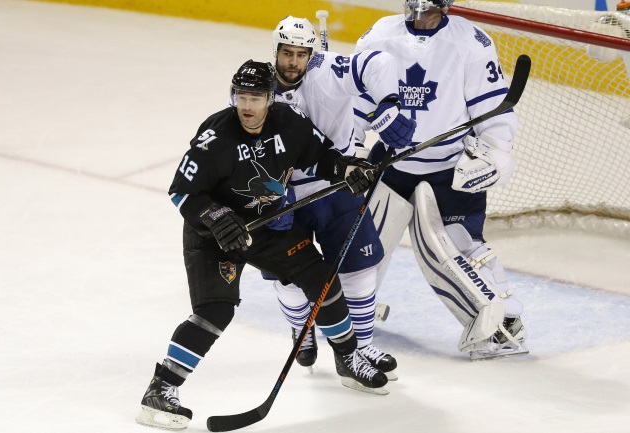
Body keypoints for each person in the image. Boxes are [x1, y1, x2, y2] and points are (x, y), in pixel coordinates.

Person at [136, 60, 390, 431]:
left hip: (267, 229)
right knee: (215, 312)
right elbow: (181, 192)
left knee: (321, 279)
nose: (247, 106)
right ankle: (160, 389)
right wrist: (217, 217)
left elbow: (320, 159)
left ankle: (348, 358)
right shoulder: (216, 136)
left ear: (271, 98)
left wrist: (349, 170)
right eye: (241, 96)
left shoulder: (290, 123)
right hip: (215, 238)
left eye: (256, 97)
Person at [353, 0, 528, 360]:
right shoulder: (379, 34)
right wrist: (349, 148)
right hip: (390, 164)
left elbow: (493, 106)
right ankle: (349, 314)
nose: (419, 10)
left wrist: (496, 152)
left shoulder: (471, 41)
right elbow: (356, 102)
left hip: (448, 169)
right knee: (360, 244)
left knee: (461, 246)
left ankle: (503, 324)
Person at [264, 16, 416, 382]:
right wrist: (270, 192)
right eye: (287, 52)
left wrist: (389, 105)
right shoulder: (257, 87)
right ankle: (302, 332)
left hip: (336, 186)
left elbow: (378, 63)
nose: (293, 62)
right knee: (287, 275)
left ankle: (360, 348)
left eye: (302, 54)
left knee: (358, 268)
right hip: (284, 192)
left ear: (311, 55)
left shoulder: (330, 69)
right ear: (276, 51)